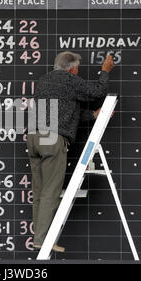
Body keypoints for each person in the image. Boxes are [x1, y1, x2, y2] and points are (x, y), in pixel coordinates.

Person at [28, 51, 115, 253]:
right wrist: (105, 71)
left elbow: (64, 111)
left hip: (33, 138)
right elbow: (96, 92)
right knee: (51, 191)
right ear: (73, 68)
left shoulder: (44, 81)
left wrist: (93, 115)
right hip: (52, 139)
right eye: (78, 69)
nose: (78, 72)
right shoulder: (69, 79)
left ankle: (40, 237)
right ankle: (43, 240)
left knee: (40, 192)